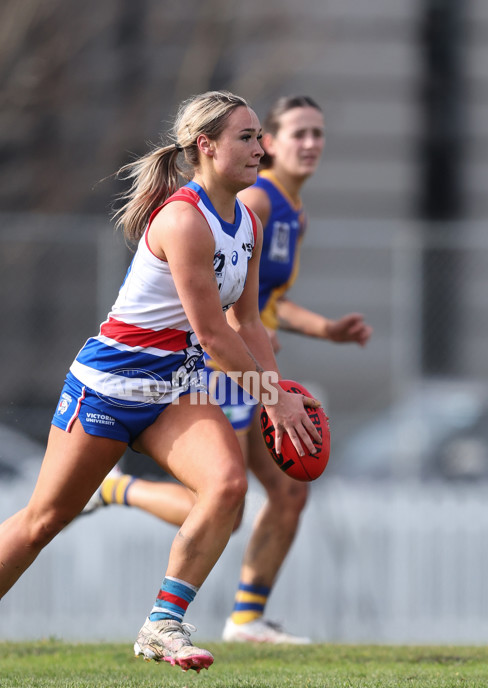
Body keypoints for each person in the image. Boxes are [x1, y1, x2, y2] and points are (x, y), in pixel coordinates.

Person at [0, 90, 323, 687]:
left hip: (175, 389)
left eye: (261, 136)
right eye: (247, 137)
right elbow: (213, 334)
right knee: (44, 520)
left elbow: (248, 323)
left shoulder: (250, 222)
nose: (261, 148)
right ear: (205, 147)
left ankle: (164, 621)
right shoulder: (184, 219)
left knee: (228, 485)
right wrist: (271, 395)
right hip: (110, 386)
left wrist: (280, 391)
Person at [81, 95, 373, 645]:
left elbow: (262, 303)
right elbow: (220, 319)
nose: (305, 145)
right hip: (221, 365)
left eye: (318, 133)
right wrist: (267, 381)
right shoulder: (254, 202)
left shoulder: (288, 213)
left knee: (288, 492)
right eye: (294, 135)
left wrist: (324, 331)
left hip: (252, 365)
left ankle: (246, 618)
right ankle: (118, 492)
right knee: (224, 502)